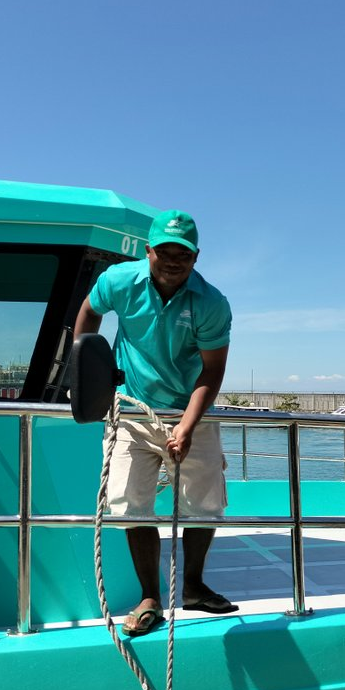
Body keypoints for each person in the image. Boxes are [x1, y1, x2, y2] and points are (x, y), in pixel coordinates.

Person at [74, 209, 237, 637]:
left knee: (204, 504)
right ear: (148, 251)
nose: (172, 260)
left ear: (196, 256)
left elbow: (212, 372)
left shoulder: (212, 304)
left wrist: (185, 425)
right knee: (128, 502)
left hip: (190, 410)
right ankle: (150, 596)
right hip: (131, 409)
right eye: (164, 250)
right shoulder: (118, 282)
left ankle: (195, 586)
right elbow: (89, 311)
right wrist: (87, 371)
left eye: (182, 253)